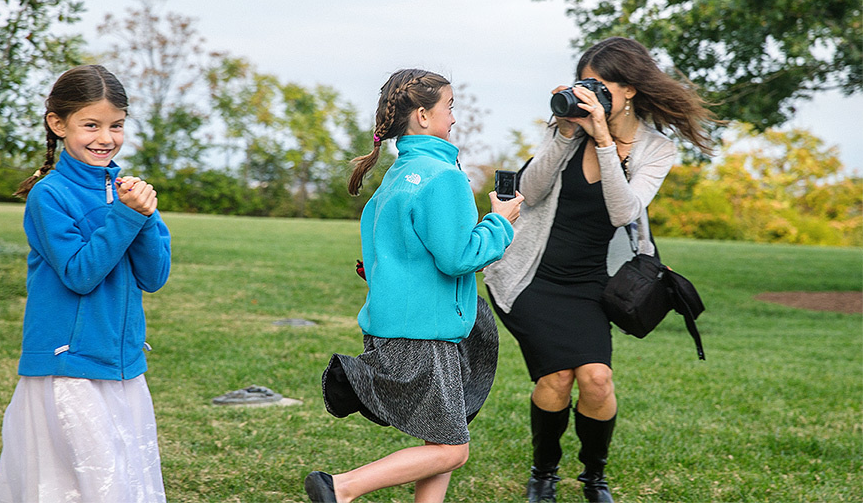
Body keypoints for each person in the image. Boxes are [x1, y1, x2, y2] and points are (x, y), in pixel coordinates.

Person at [483, 37, 715, 503]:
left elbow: (623, 210)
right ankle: (544, 474)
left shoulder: (656, 150)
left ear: (629, 90)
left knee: (596, 379)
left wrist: (606, 142)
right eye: (584, 83)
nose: (590, 94)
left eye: (601, 86)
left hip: (592, 283)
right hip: (530, 277)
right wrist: (566, 133)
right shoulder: (568, 128)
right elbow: (530, 190)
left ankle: (593, 477)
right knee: (556, 377)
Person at [304, 69, 524, 503]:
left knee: (440, 438)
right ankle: (341, 487)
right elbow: (459, 257)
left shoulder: (398, 174)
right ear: (423, 116)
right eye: (449, 107)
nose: (454, 118)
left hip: (397, 328)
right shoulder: (443, 177)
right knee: (452, 450)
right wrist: (501, 222)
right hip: (426, 333)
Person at [0, 65, 171, 503]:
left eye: (116, 126)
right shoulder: (49, 195)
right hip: (68, 368)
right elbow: (80, 274)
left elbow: (153, 277)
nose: (105, 138)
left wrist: (145, 217)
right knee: (77, 486)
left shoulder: (128, 191)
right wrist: (127, 216)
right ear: (58, 124)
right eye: (91, 125)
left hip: (123, 367)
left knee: (125, 481)